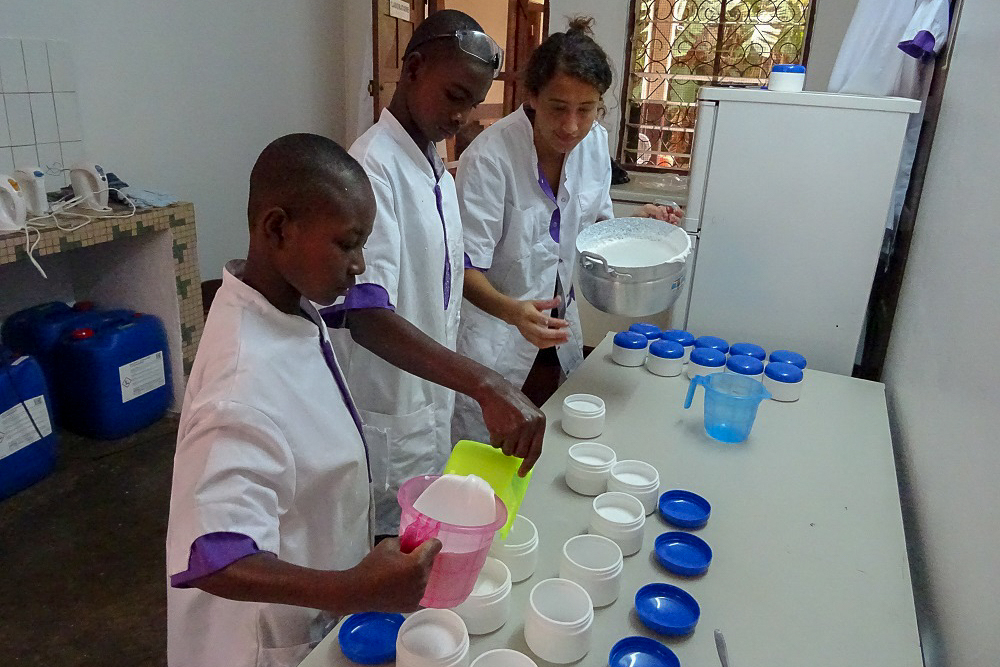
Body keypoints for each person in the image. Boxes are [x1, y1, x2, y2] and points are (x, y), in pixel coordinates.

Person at [165, 134, 441, 667]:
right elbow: (213, 556)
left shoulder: (287, 304)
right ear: (277, 229)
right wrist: (354, 589)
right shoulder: (240, 384)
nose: (360, 264)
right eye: (347, 243)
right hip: (261, 641)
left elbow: (363, 319)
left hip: (314, 606)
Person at [323, 9, 544, 538]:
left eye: (471, 103)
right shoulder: (372, 169)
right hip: (388, 414)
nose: (462, 117)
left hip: (426, 413)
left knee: (420, 547)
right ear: (414, 68)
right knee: (383, 552)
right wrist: (486, 383)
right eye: (454, 96)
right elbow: (366, 315)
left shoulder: (434, 168)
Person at [452, 17, 683, 441]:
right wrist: (512, 311)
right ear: (532, 96)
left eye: (587, 109)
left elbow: (595, 228)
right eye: (559, 108)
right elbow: (462, 268)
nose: (572, 126)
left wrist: (639, 229)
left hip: (558, 335)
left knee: (549, 445)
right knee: (488, 457)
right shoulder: (489, 159)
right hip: (497, 339)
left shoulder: (593, 143)